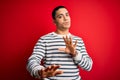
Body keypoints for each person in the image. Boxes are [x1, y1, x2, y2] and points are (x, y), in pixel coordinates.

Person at [27, 6, 93, 80]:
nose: (66, 18)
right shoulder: (44, 39)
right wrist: (39, 71)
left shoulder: (78, 40)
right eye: (60, 16)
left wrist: (75, 54)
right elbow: (32, 60)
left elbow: (89, 66)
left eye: (67, 15)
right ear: (54, 21)